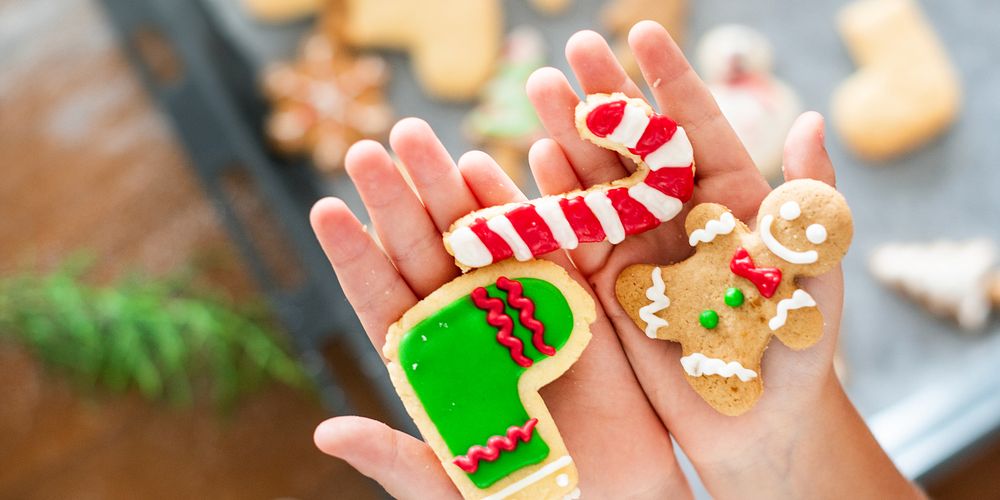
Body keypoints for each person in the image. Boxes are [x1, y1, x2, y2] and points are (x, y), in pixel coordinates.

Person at [307, 21, 924, 499]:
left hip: (697, 335)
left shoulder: (773, 279)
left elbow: (793, 315)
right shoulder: (718, 236)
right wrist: (782, 451)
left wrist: (782, 437)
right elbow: (709, 228)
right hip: (657, 293)